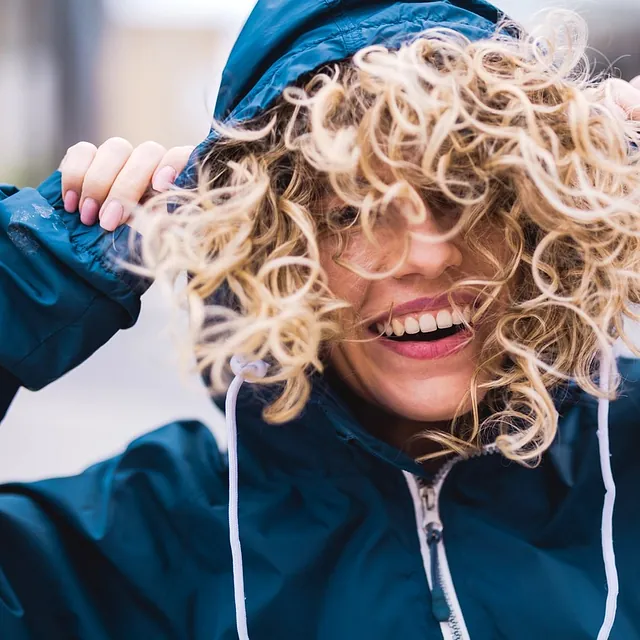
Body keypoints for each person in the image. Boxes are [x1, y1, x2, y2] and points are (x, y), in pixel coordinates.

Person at [2, 1, 640, 638]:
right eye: (351, 212)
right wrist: (38, 265)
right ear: (273, 250)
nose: (427, 254)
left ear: (538, 215)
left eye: (465, 192)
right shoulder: (153, 538)